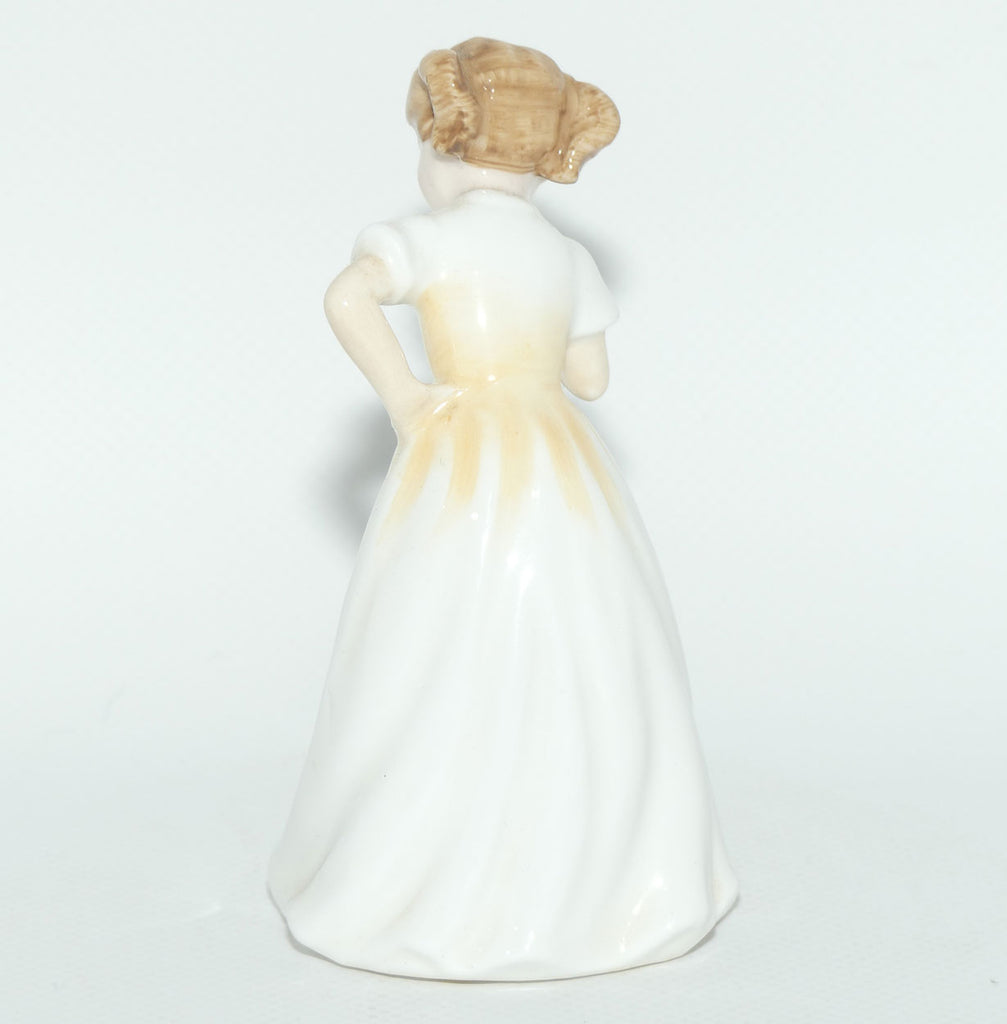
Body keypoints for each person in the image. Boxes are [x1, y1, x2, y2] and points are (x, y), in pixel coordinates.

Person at [268, 37, 738, 981]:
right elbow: (590, 380)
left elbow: (347, 298)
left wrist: (406, 398)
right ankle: (592, 867)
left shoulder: (425, 238)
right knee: (584, 638)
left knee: (434, 637)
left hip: (461, 455)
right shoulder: (568, 254)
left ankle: (421, 861)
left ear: (442, 143)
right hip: (560, 461)